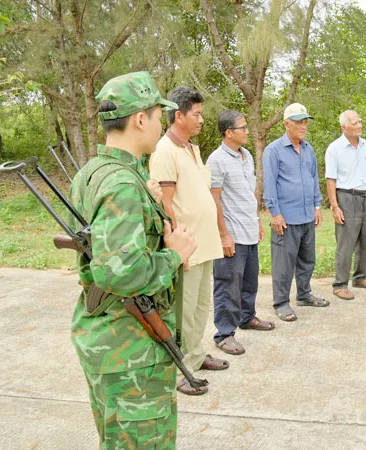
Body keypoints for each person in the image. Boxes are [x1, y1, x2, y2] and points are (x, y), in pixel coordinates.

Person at [69, 71, 197, 448]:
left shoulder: (94, 172)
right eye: (159, 116)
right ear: (141, 119)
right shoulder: (122, 183)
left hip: (112, 342)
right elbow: (120, 273)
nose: (161, 125)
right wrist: (174, 255)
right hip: (131, 350)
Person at [149, 86, 227, 394]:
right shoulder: (164, 150)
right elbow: (166, 204)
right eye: (196, 114)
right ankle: (180, 370)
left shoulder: (192, 149)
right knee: (183, 312)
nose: (202, 120)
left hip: (205, 243)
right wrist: (177, 246)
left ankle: (196, 354)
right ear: (178, 115)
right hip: (187, 247)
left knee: (201, 307)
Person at [206, 110, 275, 356]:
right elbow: (214, 200)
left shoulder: (246, 156)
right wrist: (223, 234)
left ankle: (247, 317)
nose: (247, 131)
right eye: (242, 128)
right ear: (228, 133)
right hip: (231, 233)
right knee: (227, 284)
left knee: (249, 281)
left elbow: (248, 194)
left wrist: (257, 221)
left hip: (249, 229)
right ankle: (224, 334)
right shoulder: (216, 160)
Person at [263, 103, 328, 321]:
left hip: (307, 215)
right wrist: (275, 213)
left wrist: (317, 206)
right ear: (287, 124)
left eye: (305, 122)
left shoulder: (308, 149)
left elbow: (313, 178)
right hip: (286, 218)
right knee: (283, 263)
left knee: (307, 259)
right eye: (299, 122)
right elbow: (270, 183)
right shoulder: (273, 150)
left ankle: (304, 294)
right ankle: (281, 302)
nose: (303, 126)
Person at [325, 110, 366, 300]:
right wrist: (335, 206)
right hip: (347, 198)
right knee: (346, 243)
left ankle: (360, 277)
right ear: (344, 127)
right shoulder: (335, 149)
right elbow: (331, 179)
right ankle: (340, 284)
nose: (360, 126)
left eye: (360, 122)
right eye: (355, 123)